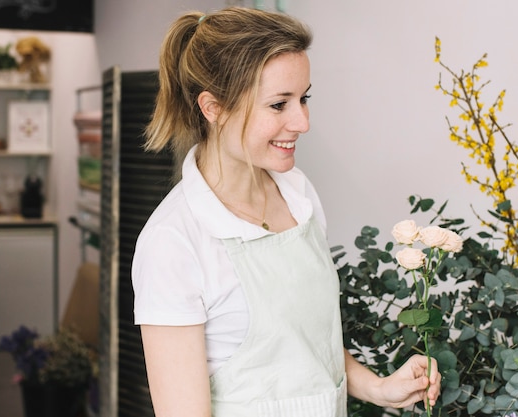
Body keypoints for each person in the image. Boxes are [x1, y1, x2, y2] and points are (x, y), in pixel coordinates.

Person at [131, 7, 441, 417]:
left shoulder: (298, 195)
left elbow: (307, 347)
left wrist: (379, 388)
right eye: (279, 104)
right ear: (214, 108)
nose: (303, 121)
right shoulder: (173, 242)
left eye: (304, 98)